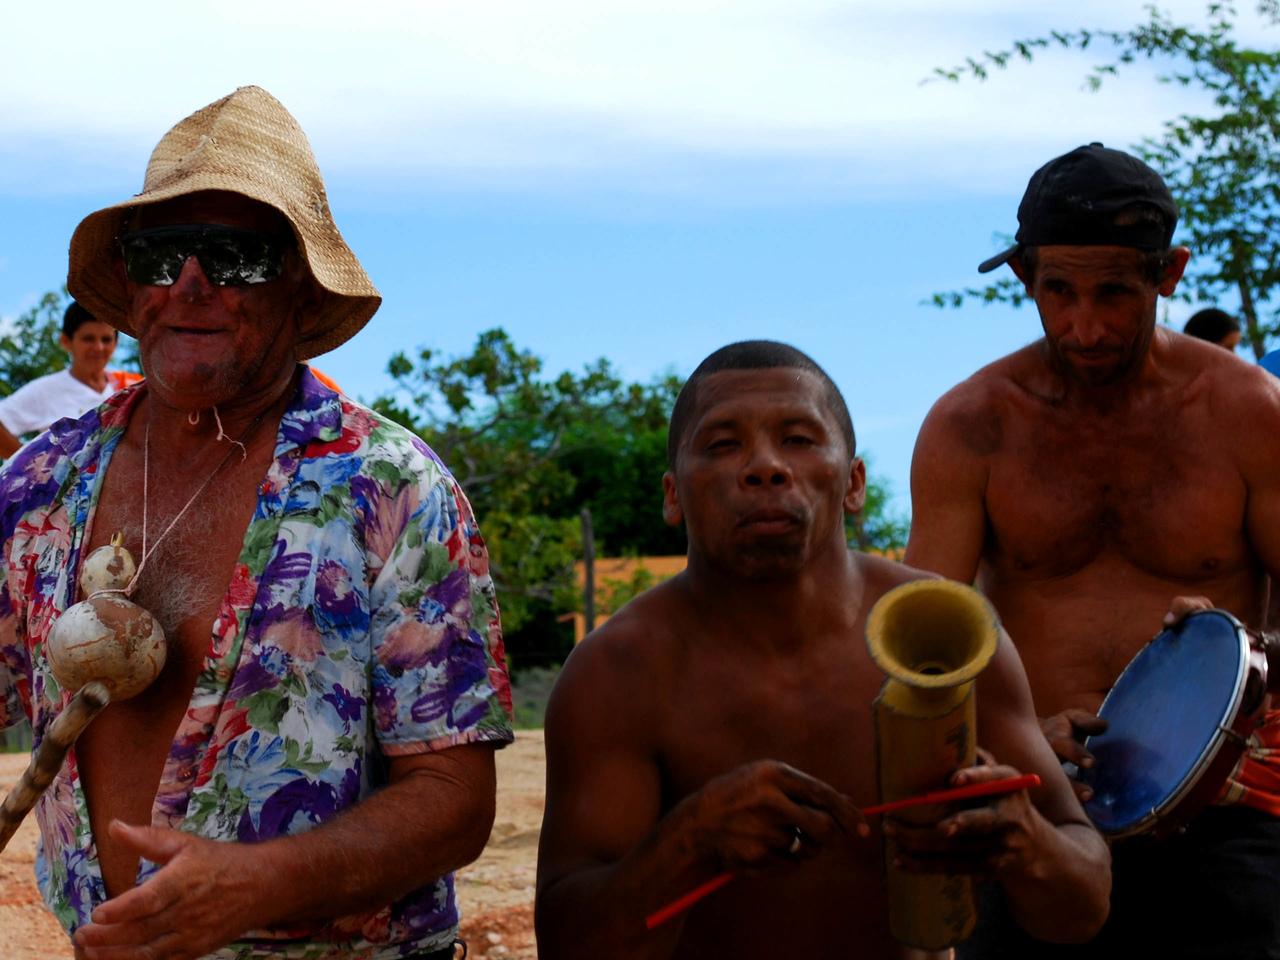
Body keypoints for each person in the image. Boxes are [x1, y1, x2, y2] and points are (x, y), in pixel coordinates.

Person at [0, 86, 513, 960]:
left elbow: (452, 797)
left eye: (236, 258)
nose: (190, 283)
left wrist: (259, 885)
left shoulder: (391, 489)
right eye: (161, 254)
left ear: (303, 297)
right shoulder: (40, 485)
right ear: (129, 286)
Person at [535, 341, 1110, 960]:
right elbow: (569, 944)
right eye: (723, 444)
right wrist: (689, 843)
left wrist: (1025, 840)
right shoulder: (616, 673)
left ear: (854, 482)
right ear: (673, 496)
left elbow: (1083, 906)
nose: (764, 466)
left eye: (799, 439)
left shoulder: (947, 634)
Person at [905, 142, 1280, 958]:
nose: (1085, 325)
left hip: (1226, 813)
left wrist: (1236, 659)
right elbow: (922, 655)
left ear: (1169, 273)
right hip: (1038, 804)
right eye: (1057, 292)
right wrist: (1021, 737)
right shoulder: (972, 426)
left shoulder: (1249, 412)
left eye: (1114, 292)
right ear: (1024, 280)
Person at [0, 301, 125, 457]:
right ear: (66, 341)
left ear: (116, 343)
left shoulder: (130, 386)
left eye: (106, 339)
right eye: (88, 339)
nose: (99, 347)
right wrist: (31, 468)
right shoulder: (46, 390)